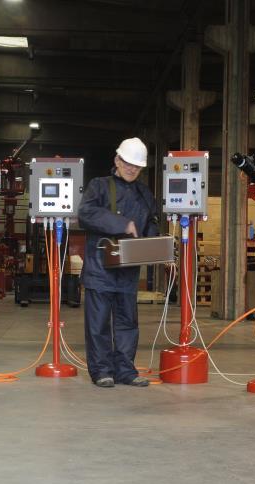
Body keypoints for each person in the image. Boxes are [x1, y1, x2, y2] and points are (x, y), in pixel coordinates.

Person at [78, 137, 158, 388]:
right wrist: (122, 223)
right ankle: (102, 370)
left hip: (128, 271)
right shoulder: (99, 186)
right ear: (117, 160)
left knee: (127, 323)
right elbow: (86, 214)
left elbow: (151, 224)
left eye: (137, 165)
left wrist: (157, 245)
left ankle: (125, 370)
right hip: (100, 270)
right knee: (99, 323)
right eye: (128, 163)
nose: (132, 169)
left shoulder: (144, 194)